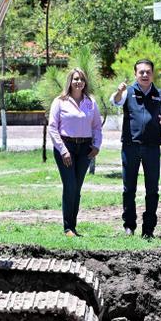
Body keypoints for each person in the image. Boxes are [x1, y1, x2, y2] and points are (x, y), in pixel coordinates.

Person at [111, 59, 161, 238]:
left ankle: (148, 229)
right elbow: (115, 102)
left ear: (153, 74)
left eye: (148, 72)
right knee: (128, 188)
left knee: (152, 190)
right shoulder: (127, 92)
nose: (145, 75)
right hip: (130, 147)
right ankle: (129, 226)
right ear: (135, 74)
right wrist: (118, 92)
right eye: (141, 72)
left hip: (152, 148)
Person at [48, 68, 103, 237]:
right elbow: (52, 127)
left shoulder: (90, 102)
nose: (78, 82)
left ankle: (73, 226)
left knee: (77, 187)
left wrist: (96, 146)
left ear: (85, 82)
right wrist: (63, 150)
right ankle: (67, 227)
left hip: (84, 148)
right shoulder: (60, 101)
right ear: (70, 82)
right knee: (70, 185)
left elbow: (97, 126)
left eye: (81, 79)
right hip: (66, 147)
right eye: (75, 79)